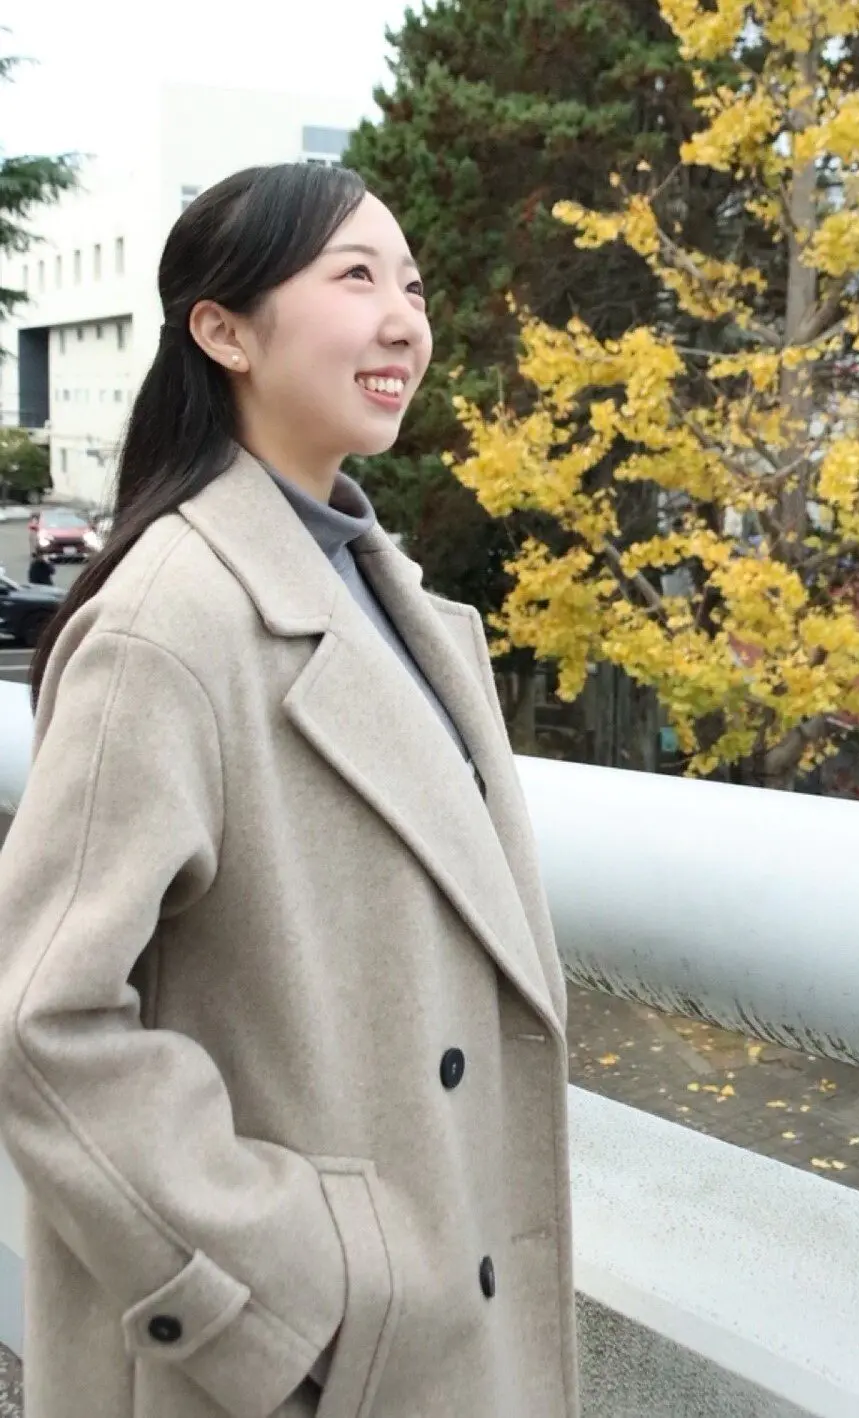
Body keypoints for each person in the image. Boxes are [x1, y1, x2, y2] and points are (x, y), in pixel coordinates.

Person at [0, 165, 577, 1418]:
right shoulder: (168, 622)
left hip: (422, 1330)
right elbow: (40, 1023)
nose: (403, 320)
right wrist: (286, 1292)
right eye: (354, 277)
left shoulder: (396, 600)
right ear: (224, 330)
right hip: (292, 1367)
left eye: (412, 285)